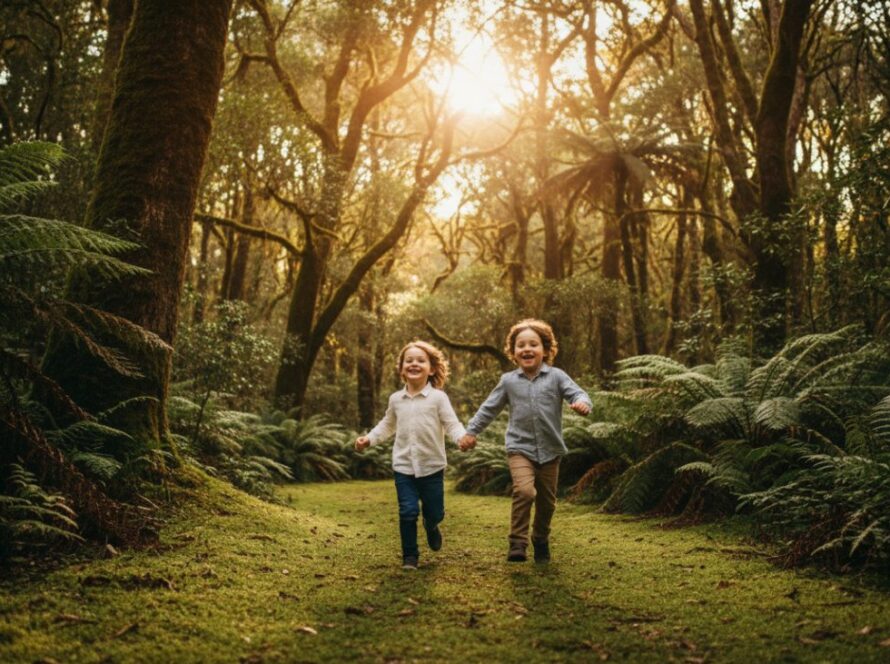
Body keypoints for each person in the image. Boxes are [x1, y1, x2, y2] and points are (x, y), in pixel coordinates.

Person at [459, 319, 591, 563]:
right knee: (524, 491)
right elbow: (489, 409)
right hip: (519, 449)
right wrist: (471, 432)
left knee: (547, 503)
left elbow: (578, 393)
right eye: (521, 345)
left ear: (546, 350)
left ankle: (540, 538)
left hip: (551, 450)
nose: (527, 349)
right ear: (513, 352)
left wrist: (583, 403)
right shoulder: (508, 381)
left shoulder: (557, 377)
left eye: (533, 344)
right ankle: (517, 543)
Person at [355, 340, 466, 570]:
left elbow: (452, 424)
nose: (414, 364)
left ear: (432, 368)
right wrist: (369, 439)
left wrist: (462, 438)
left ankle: (431, 524)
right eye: (409, 360)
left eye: (420, 360)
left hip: (432, 467)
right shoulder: (396, 399)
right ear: (402, 368)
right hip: (403, 466)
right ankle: (410, 557)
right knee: (407, 511)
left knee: (435, 512)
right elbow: (387, 424)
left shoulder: (438, 398)